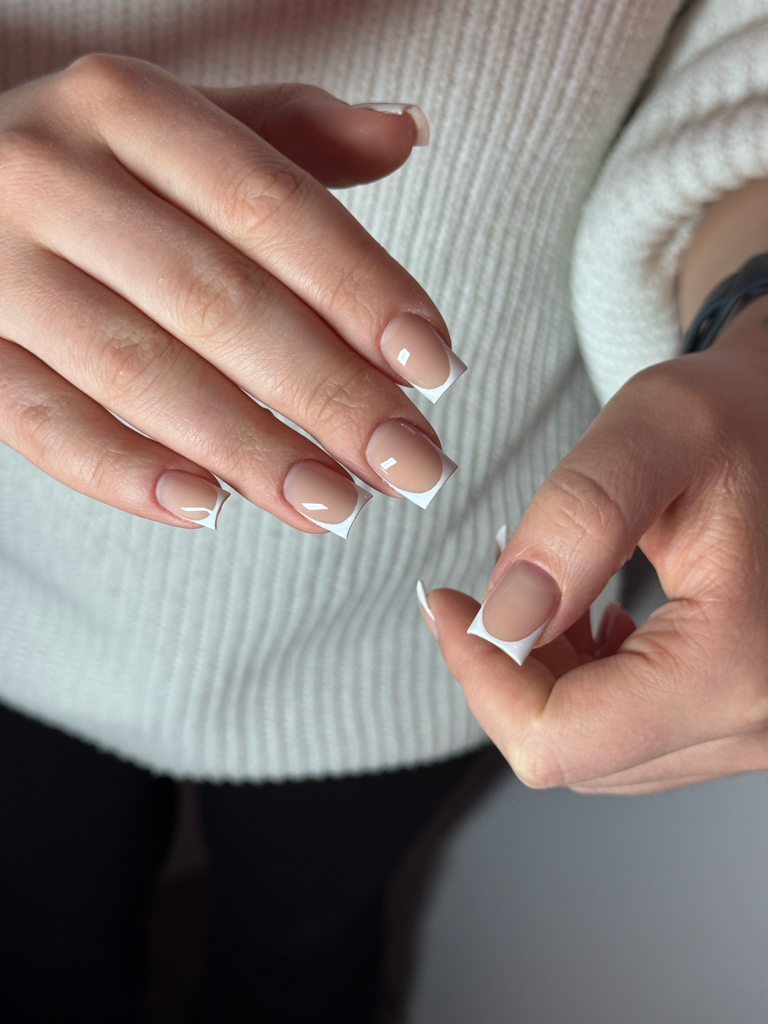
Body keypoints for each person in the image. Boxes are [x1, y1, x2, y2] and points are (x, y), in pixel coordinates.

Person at [0, 0, 767, 1020]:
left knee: (304, 957)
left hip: (411, 635)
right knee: (39, 947)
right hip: (24, 592)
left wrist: (756, 325)